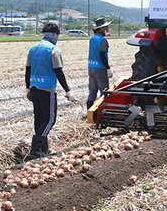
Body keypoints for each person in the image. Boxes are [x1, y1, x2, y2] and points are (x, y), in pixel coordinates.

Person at [25, 22, 76, 159]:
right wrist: (67, 90)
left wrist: (27, 88)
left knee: (39, 119)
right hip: (47, 89)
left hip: (34, 88)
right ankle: (35, 149)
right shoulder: (53, 50)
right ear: (54, 34)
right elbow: (58, 71)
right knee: (50, 120)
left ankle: (43, 148)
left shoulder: (33, 48)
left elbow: (28, 70)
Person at [86, 17, 113, 109]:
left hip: (91, 67)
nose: (108, 28)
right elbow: (102, 55)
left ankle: (89, 110)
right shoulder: (102, 40)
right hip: (100, 68)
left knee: (92, 90)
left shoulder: (92, 38)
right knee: (104, 91)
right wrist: (108, 68)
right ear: (102, 28)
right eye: (107, 26)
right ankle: (101, 111)